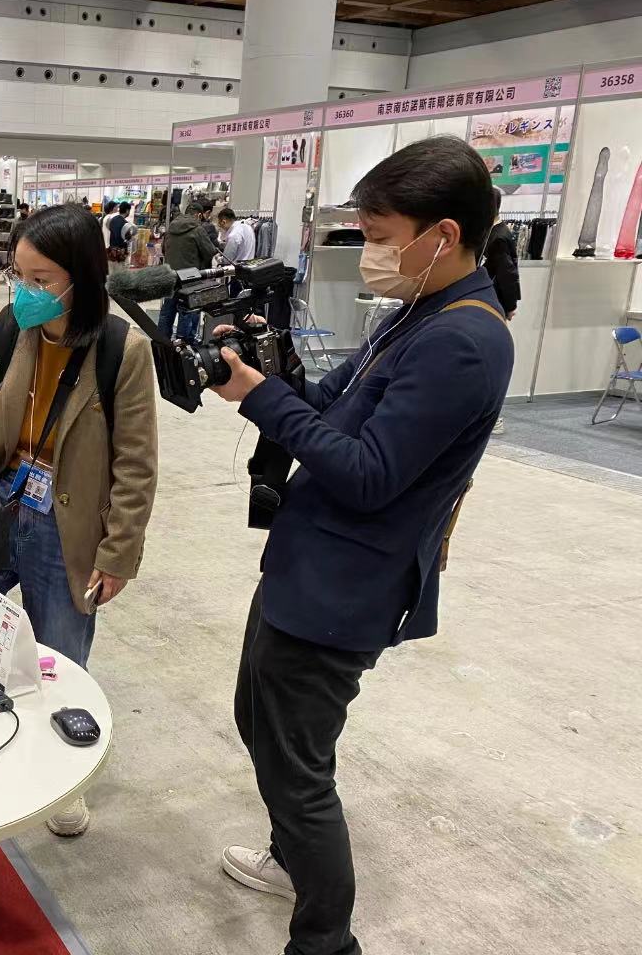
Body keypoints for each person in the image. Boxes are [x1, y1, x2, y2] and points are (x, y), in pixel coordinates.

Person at [208, 136, 513, 955]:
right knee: (261, 723)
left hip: (343, 591)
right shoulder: (419, 314)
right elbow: (329, 405)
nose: (369, 252)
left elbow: (370, 474)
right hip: (307, 566)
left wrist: (262, 400)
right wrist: (268, 361)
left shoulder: (462, 340)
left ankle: (326, 940)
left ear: (442, 235)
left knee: (298, 771)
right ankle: (290, 860)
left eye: (379, 236)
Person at [0, 204, 159, 837]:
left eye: (41, 280)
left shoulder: (121, 349)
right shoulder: (3, 327)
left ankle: (62, 779)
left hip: (64, 524)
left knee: (61, 657)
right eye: (18, 275)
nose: (25, 291)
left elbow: (135, 464)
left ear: (82, 277)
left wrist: (117, 554)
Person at [481, 187, 520, 435]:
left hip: (495, 301)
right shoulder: (492, 233)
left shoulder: (499, 237)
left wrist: (510, 304)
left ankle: (493, 416)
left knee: (491, 360)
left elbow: (508, 274)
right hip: (491, 300)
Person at [159, 198, 218, 344]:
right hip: (190, 278)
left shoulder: (171, 227)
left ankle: (161, 341)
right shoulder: (197, 229)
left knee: (167, 312)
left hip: (170, 276)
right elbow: (209, 251)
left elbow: (164, 249)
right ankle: (183, 344)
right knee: (187, 311)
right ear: (199, 215)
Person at [106, 202, 133, 271]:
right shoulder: (125, 223)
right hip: (120, 253)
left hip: (111, 252)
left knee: (112, 273)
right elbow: (127, 238)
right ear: (127, 211)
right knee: (120, 274)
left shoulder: (112, 219)